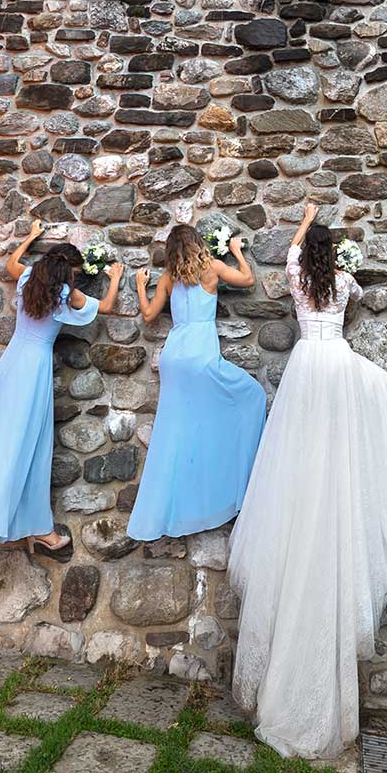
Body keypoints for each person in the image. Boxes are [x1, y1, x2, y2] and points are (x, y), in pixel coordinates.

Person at [228, 204, 387, 760]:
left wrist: (304, 218)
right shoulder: (345, 281)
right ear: (339, 258)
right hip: (337, 362)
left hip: (306, 365)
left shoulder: (298, 276)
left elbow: (292, 256)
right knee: (352, 432)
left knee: (299, 453)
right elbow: (332, 292)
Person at [0, 221, 122, 560]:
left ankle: (8, 521)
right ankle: (35, 529)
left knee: (3, 442)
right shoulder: (65, 294)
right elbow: (105, 307)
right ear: (67, 271)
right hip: (33, 368)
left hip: (11, 363)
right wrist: (117, 279)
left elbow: (10, 264)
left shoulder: (28, 280)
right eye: (75, 273)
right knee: (31, 448)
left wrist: (31, 237)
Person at [127, 224, 268, 542]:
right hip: (201, 356)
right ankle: (225, 489)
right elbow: (247, 280)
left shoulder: (168, 278)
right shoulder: (211, 268)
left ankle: (164, 511)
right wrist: (236, 253)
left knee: (173, 432)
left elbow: (149, 314)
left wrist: (139, 286)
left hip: (173, 359)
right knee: (252, 396)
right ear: (196, 243)